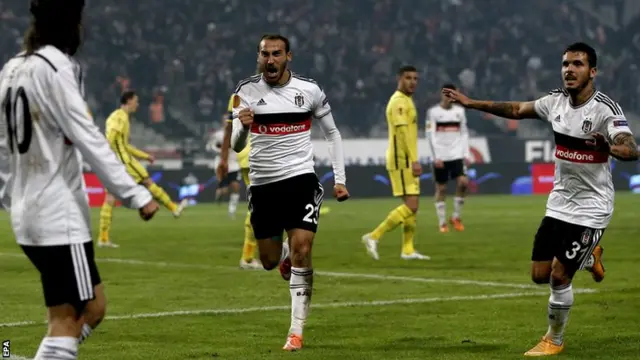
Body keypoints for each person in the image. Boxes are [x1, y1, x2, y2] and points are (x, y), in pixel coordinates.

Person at [442, 42, 637, 356]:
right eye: (565, 64)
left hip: (591, 208)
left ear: (593, 71)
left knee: (559, 276)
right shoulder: (555, 102)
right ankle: (590, 255)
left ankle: (554, 340)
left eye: (577, 64)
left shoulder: (605, 109)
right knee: (538, 275)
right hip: (559, 203)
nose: (569, 70)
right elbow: (516, 110)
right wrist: (470, 102)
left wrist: (609, 148)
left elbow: (631, 149)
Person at [0, 1, 160, 358]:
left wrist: (7, 193)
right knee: (68, 319)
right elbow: (87, 135)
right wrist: (134, 194)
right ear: (73, 23)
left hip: (26, 210)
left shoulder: (12, 69)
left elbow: (2, 143)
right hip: (58, 214)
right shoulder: (57, 67)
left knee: (93, 307)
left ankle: (21, 354)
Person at [231, 34, 350, 351]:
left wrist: (340, 179)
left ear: (288, 56)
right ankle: (282, 255)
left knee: (303, 248)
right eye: (264, 54)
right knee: (269, 261)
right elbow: (235, 145)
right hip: (263, 185)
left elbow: (333, 134)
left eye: (277, 54)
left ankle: (295, 332)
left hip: (300, 180)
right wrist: (242, 126)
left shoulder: (309, 90)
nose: (270, 60)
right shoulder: (245, 92)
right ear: (258, 57)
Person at [98, 90, 187, 247]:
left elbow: (123, 144)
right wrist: (106, 151)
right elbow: (112, 136)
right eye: (136, 101)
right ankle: (174, 208)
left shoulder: (117, 116)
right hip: (124, 162)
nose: (137, 104)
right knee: (147, 181)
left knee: (110, 197)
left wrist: (145, 156)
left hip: (112, 163)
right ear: (129, 101)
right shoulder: (120, 116)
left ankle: (103, 238)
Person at [361, 65, 430, 261]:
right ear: (399, 79)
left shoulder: (407, 100)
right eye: (408, 78)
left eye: (416, 79)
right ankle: (373, 236)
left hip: (407, 159)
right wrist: (414, 160)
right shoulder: (398, 102)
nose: (413, 82)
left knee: (412, 205)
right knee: (412, 205)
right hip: (402, 161)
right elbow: (401, 133)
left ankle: (407, 250)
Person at [426, 84, 470, 233]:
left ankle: (456, 217)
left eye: (452, 94)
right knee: (442, 188)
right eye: (447, 94)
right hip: (441, 155)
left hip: (456, 154)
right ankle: (442, 222)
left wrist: (466, 153)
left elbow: (464, 132)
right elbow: (430, 135)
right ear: (441, 94)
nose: (449, 97)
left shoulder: (460, 112)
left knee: (463, 182)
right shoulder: (433, 113)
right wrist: (436, 156)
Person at [209, 113, 242, 219]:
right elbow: (210, 147)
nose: (227, 121)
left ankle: (231, 211)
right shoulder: (218, 135)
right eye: (225, 120)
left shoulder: (237, 132)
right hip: (222, 163)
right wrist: (220, 150)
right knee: (224, 190)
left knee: (236, 186)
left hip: (234, 164)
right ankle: (219, 194)